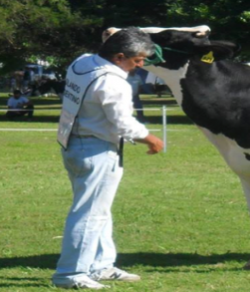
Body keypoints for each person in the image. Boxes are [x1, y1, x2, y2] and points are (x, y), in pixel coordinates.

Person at [53, 27, 164, 290]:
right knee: (90, 213)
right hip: (97, 150)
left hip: (73, 142)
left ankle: (100, 265)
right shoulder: (114, 83)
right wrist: (151, 138)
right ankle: (70, 274)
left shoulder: (82, 62)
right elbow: (123, 124)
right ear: (119, 56)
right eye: (137, 60)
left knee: (97, 211)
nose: (140, 66)